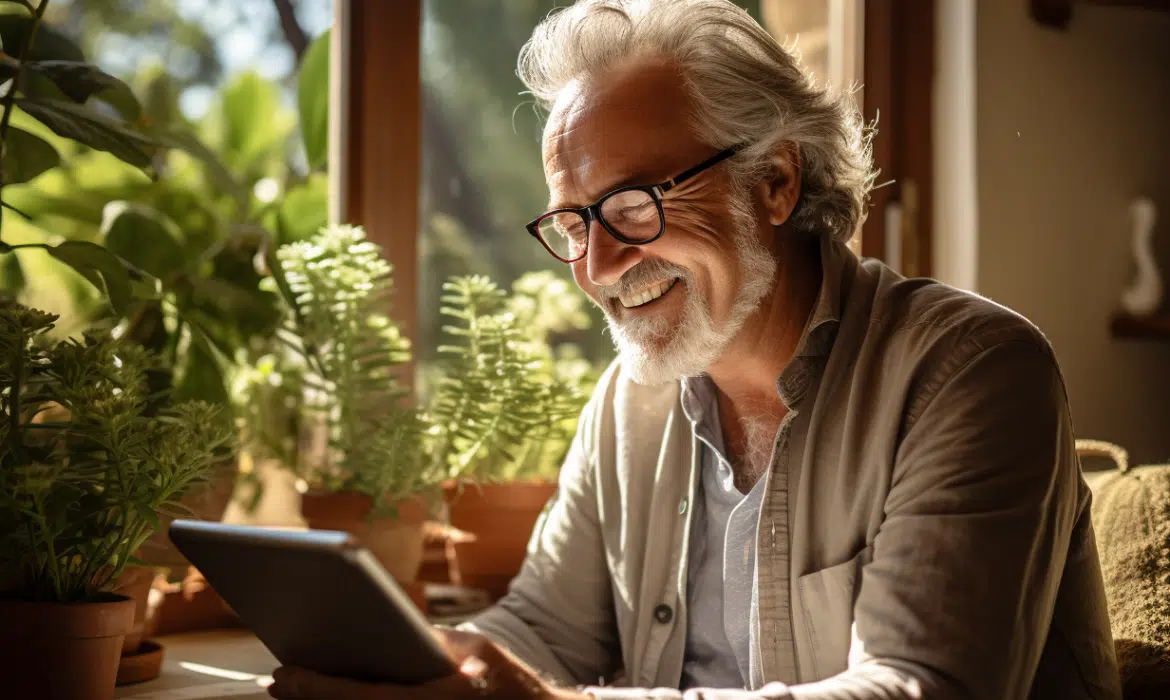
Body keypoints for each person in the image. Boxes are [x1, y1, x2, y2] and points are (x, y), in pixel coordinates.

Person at [267, 1, 1122, 698]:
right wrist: (420, 669)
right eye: (573, 222)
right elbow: (542, 633)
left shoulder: (971, 372)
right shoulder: (629, 401)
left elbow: (918, 688)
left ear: (776, 181)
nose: (598, 267)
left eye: (633, 205)